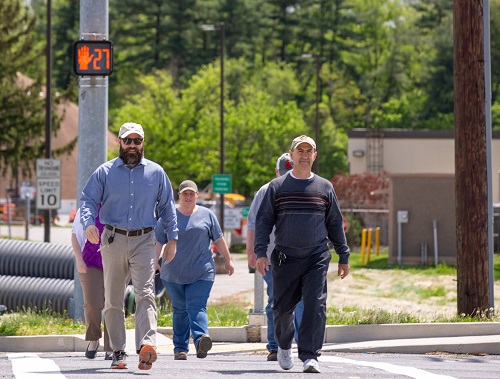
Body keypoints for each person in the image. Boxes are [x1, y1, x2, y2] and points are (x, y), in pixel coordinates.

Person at [80, 122, 178, 370]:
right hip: (113, 239)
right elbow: (88, 201)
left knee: (145, 293)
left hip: (145, 240)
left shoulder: (156, 173)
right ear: (119, 143)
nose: (132, 145)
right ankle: (118, 351)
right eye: (128, 141)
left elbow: (167, 208)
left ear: (143, 143)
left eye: (137, 141)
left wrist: (173, 239)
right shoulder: (104, 172)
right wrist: (89, 223)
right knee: (113, 299)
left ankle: (146, 346)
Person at [254, 135, 350, 374]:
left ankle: (310, 355)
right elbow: (264, 221)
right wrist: (260, 252)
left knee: (315, 305)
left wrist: (343, 255)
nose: (305, 155)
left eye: (309, 151)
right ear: (292, 154)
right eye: (300, 151)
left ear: (315, 155)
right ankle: (284, 345)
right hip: (285, 257)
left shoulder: (324, 187)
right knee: (282, 308)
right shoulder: (277, 187)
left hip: (316, 256)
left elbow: (335, 223)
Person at [155, 180, 235, 360]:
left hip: (202, 271)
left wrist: (228, 260)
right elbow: (159, 240)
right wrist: (155, 262)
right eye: (185, 193)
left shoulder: (207, 215)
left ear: (197, 195)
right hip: (173, 272)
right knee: (180, 309)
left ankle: (200, 340)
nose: (188, 197)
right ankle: (181, 349)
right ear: (179, 195)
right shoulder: (169, 215)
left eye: (192, 193)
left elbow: (219, 239)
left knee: (196, 306)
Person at [246, 153, 304, 361]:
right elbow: (252, 223)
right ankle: (275, 346)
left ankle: (301, 345)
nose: (287, 176)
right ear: (277, 171)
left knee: (301, 301)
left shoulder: (304, 187)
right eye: (284, 172)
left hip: (300, 258)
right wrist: (251, 253)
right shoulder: (265, 191)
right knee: (277, 302)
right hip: (271, 258)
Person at [71, 205, 112, 361]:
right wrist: (79, 259)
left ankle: (112, 346)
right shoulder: (87, 208)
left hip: (114, 263)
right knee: (92, 303)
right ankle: (94, 338)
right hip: (91, 262)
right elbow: (75, 234)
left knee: (113, 304)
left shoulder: (118, 203)